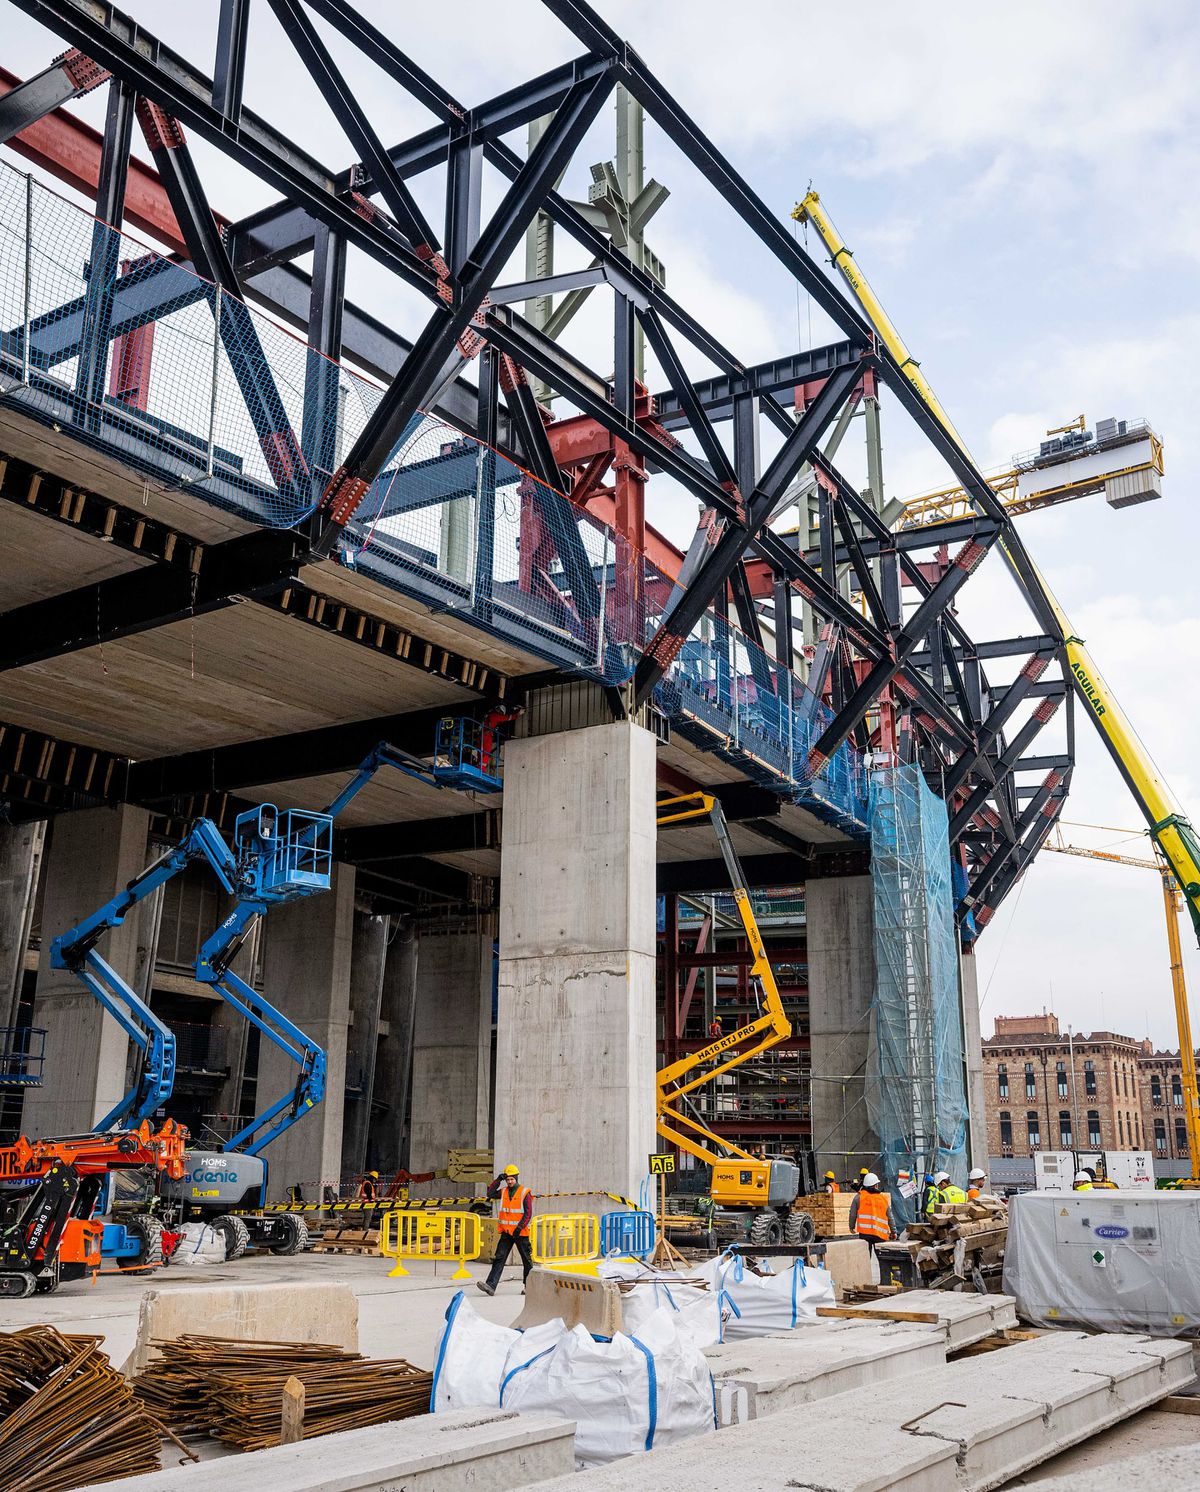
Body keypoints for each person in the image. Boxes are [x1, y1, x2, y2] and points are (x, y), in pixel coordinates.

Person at [477, 1164, 535, 1296]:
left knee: (527, 1260)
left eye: (511, 1179)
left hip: (520, 1233)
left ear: (516, 1178)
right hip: (507, 1233)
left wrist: (519, 1227)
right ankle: (490, 1286)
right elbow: (490, 1193)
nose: (509, 1181)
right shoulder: (503, 1192)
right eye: (507, 1179)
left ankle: (529, 1286)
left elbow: (528, 1213)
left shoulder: (524, 1192)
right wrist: (498, 1180)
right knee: (499, 1258)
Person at [848, 1172, 894, 1249]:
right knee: (881, 1258)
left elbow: (852, 1214)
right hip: (880, 1235)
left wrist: (851, 1226)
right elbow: (890, 1217)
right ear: (876, 1185)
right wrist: (893, 1231)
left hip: (864, 1234)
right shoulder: (883, 1199)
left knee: (865, 1258)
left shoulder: (858, 1197)